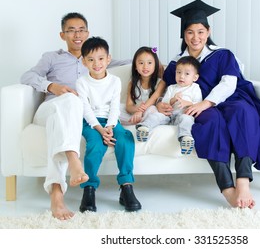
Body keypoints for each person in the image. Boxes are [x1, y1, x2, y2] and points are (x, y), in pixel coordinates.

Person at [159, 0, 260, 208]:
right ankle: (227, 189)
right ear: (183, 35)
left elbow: (229, 83)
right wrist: (159, 104)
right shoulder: (177, 63)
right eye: (190, 32)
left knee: (243, 113)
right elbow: (166, 87)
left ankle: (243, 182)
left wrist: (207, 103)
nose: (195, 37)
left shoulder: (222, 54)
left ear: (208, 31)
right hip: (198, 105)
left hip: (231, 98)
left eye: (200, 31)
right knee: (209, 122)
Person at [20, 12, 130, 220]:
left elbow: (133, 61)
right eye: (71, 30)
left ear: (87, 33)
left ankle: (57, 195)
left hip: (75, 115)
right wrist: (52, 86)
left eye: (81, 30)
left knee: (65, 118)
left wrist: (153, 58)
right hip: (51, 107)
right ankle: (73, 158)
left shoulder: (94, 58)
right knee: (71, 100)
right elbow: (27, 76)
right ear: (63, 35)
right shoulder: (52, 57)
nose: (77, 34)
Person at [76, 36, 141, 213]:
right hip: (91, 123)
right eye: (90, 59)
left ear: (108, 59)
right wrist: (99, 129)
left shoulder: (115, 81)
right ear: (84, 62)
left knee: (126, 139)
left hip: (111, 122)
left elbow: (114, 107)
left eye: (100, 58)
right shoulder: (82, 82)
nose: (96, 63)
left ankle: (126, 186)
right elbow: (85, 109)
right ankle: (89, 188)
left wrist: (111, 127)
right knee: (95, 145)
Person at [137, 56, 202, 155]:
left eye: (187, 74)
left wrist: (186, 103)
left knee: (187, 120)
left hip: (183, 114)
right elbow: (165, 102)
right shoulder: (172, 88)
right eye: (178, 72)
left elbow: (198, 103)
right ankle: (144, 127)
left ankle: (186, 138)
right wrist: (173, 100)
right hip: (169, 114)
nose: (181, 76)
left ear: (195, 77)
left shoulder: (195, 88)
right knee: (157, 116)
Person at [120, 46, 166, 130]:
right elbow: (129, 106)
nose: (145, 67)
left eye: (149, 63)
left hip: (149, 112)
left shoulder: (161, 83)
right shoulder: (132, 83)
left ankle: (143, 125)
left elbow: (153, 99)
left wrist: (140, 111)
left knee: (152, 110)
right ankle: (137, 121)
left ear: (155, 65)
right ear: (135, 66)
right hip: (135, 112)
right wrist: (136, 110)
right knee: (117, 108)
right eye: (141, 63)